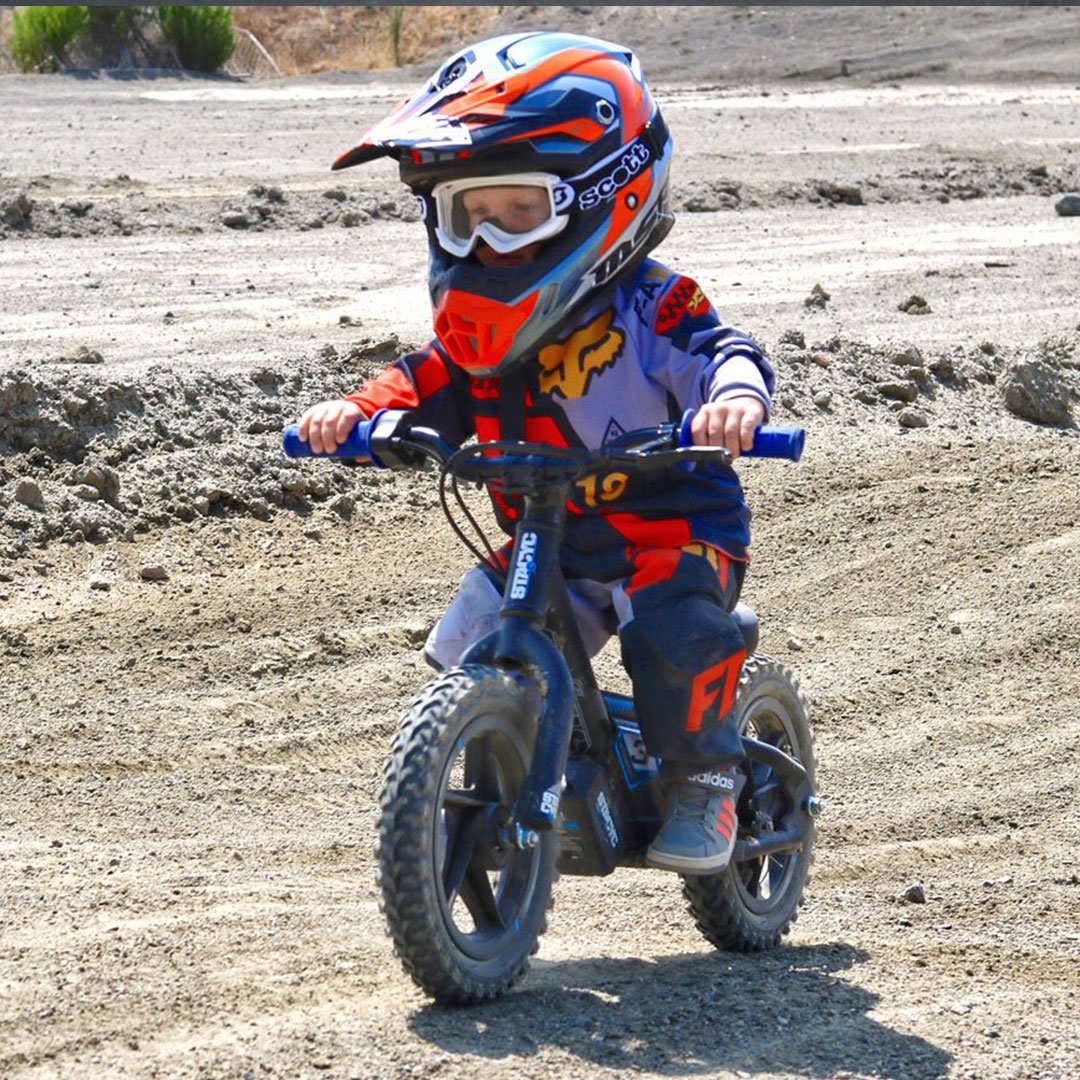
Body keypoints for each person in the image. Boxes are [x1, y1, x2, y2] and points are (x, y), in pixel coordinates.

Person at [296, 31, 775, 875]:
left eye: (520, 211)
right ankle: (495, 766)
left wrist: (735, 402)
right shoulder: (484, 341)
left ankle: (706, 778)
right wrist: (356, 415)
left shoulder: (652, 305)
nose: (487, 241)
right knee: (474, 637)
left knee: (670, 631)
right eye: (464, 213)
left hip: (671, 530)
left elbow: (718, 351)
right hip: (551, 535)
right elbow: (423, 379)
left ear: (606, 196)